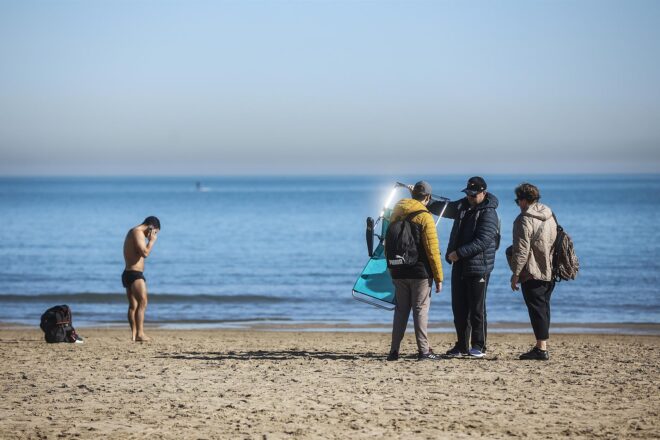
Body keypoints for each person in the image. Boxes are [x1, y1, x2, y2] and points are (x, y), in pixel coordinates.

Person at [433, 176, 499, 358]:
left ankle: (478, 345)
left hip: (479, 267)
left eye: (474, 194)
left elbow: (483, 241)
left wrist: (459, 253)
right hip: (459, 265)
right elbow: (443, 209)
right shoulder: (462, 206)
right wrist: (424, 200)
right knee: (459, 308)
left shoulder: (489, 212)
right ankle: (461, 345)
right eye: (468, 193)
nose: (470, 197)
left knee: (476, 309)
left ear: (483, 193)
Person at [387, 181, 444, 361]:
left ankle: (394, 351)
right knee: (420, 310)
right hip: (420, 272)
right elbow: (432, 250)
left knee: (401, 311)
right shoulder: (425, 216)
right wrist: (439, 277)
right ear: (427, 197)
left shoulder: (396, 213)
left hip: (398, 269)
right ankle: (424, 351)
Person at [509, 183, 557, 360]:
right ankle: (542, 345)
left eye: (517, 200)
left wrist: (515, 274)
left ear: (523, 200)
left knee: (536, 308)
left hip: (532, 270)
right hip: (550, 268)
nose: (518, 204)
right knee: (543, 308)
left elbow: (521, 250)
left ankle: (541, 348)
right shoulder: (549, 214)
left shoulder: (524, 219)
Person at [122, 216, 160, 342]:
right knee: (143, 302)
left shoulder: (133, 232)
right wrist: (152, 241)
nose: (153, 234)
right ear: (151, 227)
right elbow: (145, 253)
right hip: (135, 274)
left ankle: (134, 335)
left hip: (128, 273)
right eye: (155, 232)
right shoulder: (137, 232)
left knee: (133, 306)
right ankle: (140, 334)